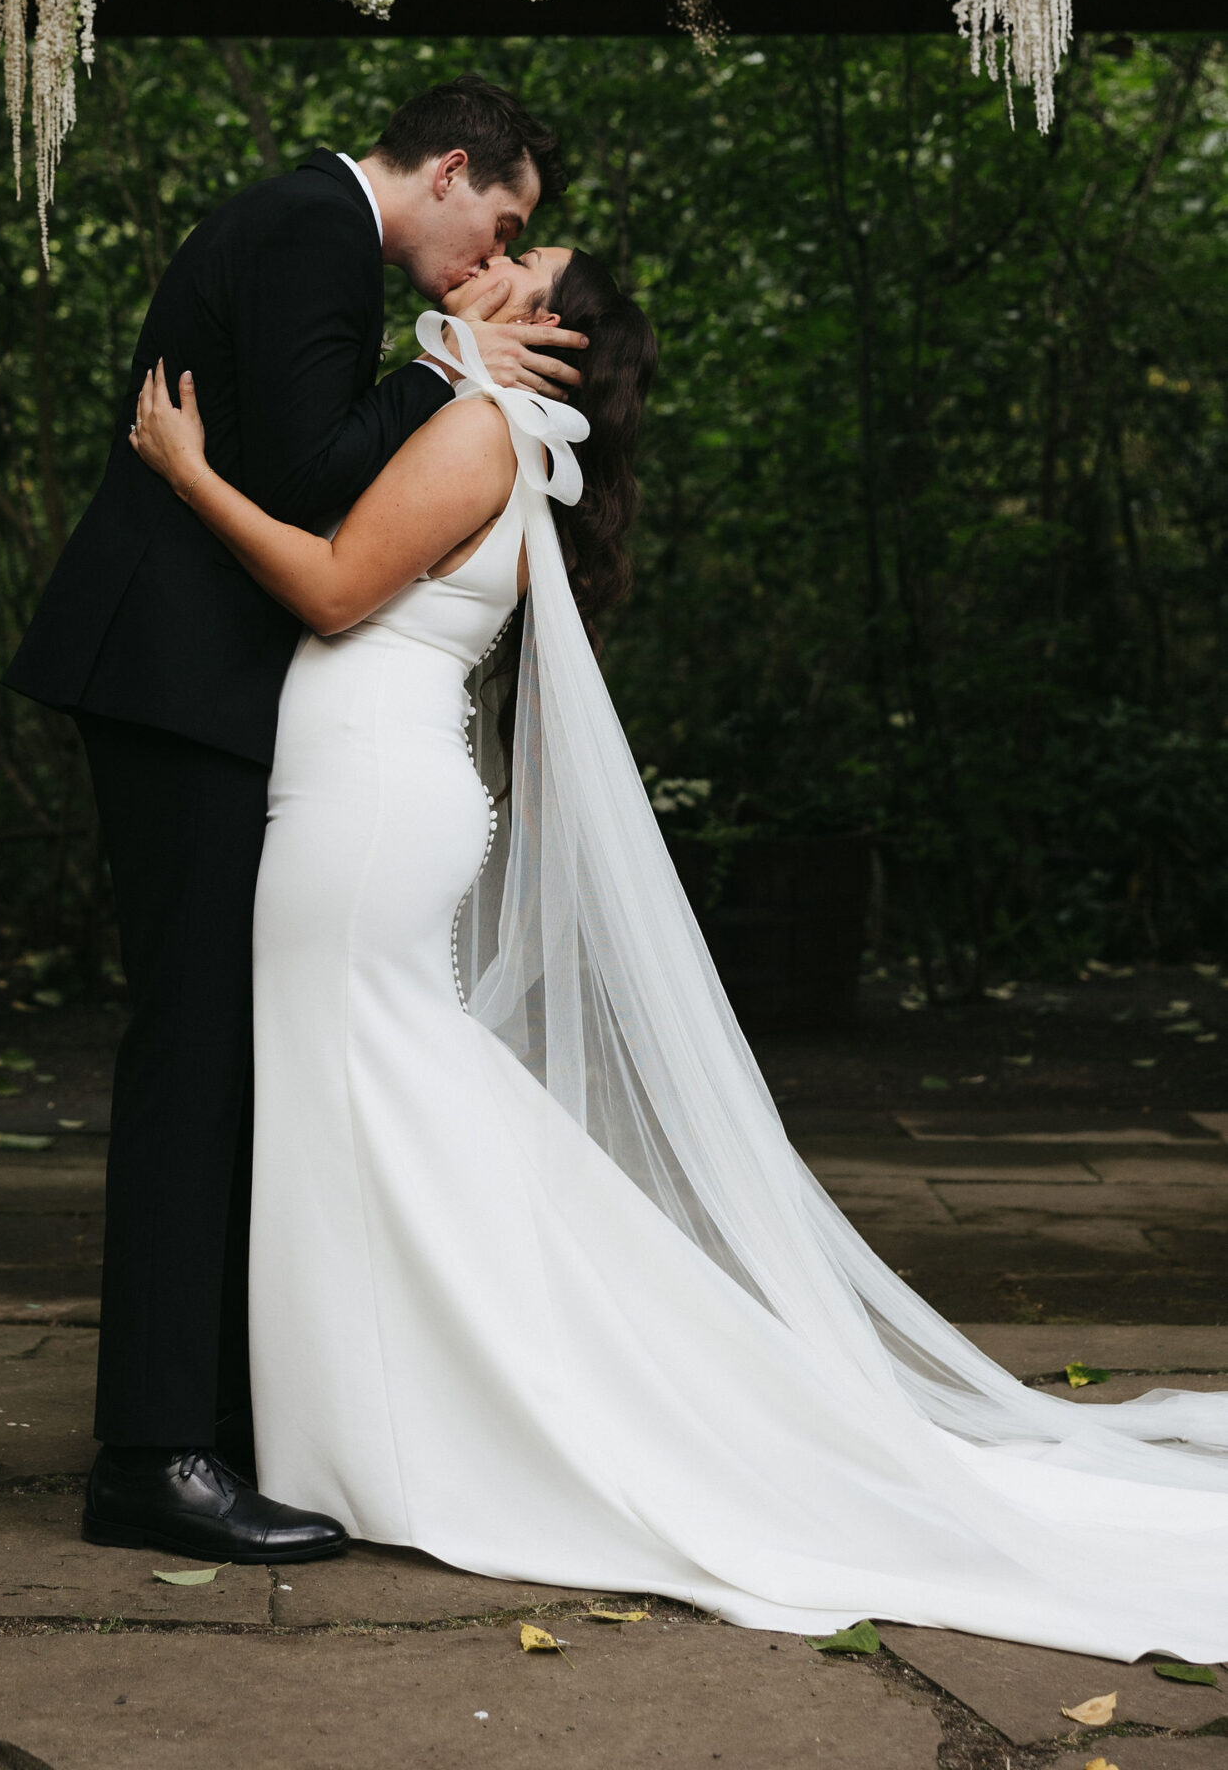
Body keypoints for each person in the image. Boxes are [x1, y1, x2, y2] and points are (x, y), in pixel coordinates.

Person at [129, 250, 1228, 1659]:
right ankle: (384, 1416)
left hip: (366, 807)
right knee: (383, 1106)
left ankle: (405, 1428)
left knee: (368, 1099)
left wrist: (188, 473)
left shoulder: (477, 432)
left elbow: (339, 593)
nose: (489, 263)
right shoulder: (481, 428)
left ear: (545, 334)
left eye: (523, 264)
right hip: (371, 797)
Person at [4, 75, 580, 1566]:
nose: (487, 264)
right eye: (499, 226)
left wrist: (447, 352)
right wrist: (454, 356)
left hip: (196, 681)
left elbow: (304, 470)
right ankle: (153, 1455)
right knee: (191, 1045)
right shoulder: (312, 227)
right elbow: (318, 479)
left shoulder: (310, 230)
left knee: (219, 1048)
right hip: (173, 676)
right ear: (454, 168)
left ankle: (212, 1418)